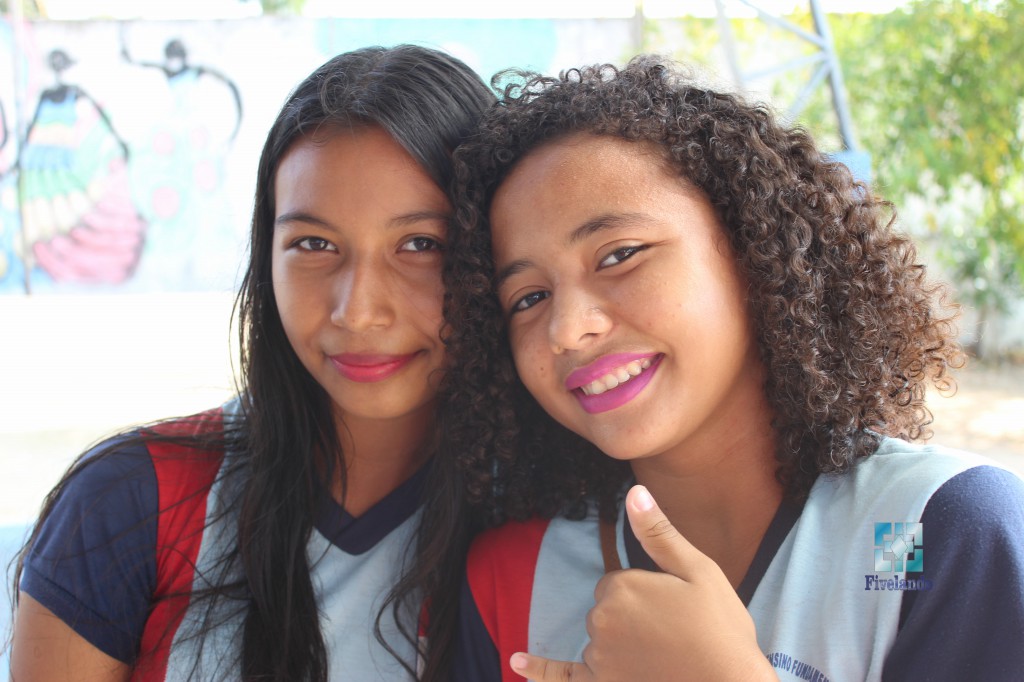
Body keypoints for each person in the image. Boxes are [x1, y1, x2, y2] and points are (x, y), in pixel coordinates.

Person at [441, 57, 1024, 681]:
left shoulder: (925, 532)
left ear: (750, 248)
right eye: (528, 297)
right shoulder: (515, 577)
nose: (566, 328)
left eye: (619, 255)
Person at [9, 44, 494, 681]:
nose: (356, 311)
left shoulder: (566, 521)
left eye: (421, 243)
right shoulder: (129, 502)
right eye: (313, 243)